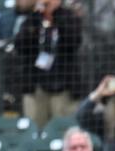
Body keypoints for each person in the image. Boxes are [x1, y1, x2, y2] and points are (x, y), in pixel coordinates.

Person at [13, 0, 82, 129]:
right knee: (35, 130)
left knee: (63, 130)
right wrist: (35, 18)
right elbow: (20, 46)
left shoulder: (69, 17)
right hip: (36, 86)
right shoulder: (32, 19)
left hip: (64, 86)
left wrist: (56, 15)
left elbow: (74, 41)